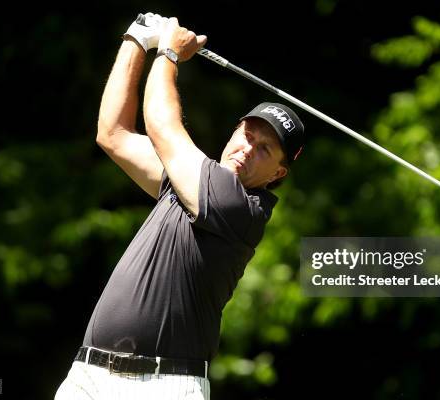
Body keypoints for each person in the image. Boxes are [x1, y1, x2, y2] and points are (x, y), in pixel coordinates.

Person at [55, 12, 304, 400]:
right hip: (89, 375)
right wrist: (137, 39)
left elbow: (161, 125)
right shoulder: (185, 179)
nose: (247, 150)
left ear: (279, 173)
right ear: (235, 130)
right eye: (247, 135)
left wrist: (169, 52)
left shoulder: (239, 207)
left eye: (265, 149)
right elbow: (113, 134)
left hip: (165, 385)